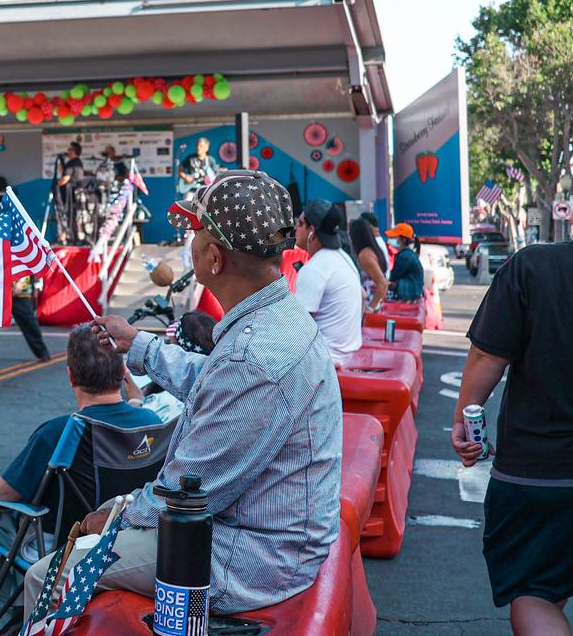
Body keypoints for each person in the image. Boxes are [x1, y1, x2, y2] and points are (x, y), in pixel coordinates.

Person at [24, 169, 342, 619]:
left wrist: (112, 517)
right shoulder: (276, 316)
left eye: (195, 231)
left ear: (213, 258)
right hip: (268, 537)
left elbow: (184, 496)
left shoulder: (252, 358)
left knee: (45, 576)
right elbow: (217, 384)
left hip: (247, 557)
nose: (189, 242)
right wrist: (138, 344)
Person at [0, 325, 162, 623]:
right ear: (123, 372)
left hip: (61, 545)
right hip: (126, 538)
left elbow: (1, 494)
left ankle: (6, 612)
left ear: (71, 376)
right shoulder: (152, 422)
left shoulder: (60, 432)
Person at [451, 225, 573, 636]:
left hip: (537, 474)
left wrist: (463, 420)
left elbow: (486, 355)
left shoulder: (533, 267)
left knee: (534, 593)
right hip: (538, 474)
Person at [293, 200, 363, 365]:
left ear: (311, 231)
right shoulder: (343, 257)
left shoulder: (315, 268)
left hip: (326, 362)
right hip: (346, 356)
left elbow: (296, 328)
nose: (295, 227)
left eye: (300, 223)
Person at [0, 276, 51, 363]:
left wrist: (21, 282)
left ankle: (42, 352)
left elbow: (27, 267)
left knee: (28, 321)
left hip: (18, 291)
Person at [349, 217, 389, 311]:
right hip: (374, 302)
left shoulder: (364, 256)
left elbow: (382, 283)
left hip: (369, 303)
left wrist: (370, 308)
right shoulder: (372, 250)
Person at [384, 222, 424, 302]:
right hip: (410, 294)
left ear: (403, 240)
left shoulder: (405, 257)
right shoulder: (406, 254)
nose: (390, 239)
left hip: (409, 297)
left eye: (393, 237)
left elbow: (392, 276)